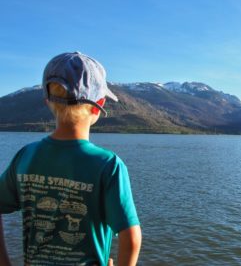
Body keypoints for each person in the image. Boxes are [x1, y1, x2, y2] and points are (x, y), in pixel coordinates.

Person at [0, 52, 142, 266]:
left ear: (47, 101)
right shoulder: (109, 165)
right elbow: (131, 238)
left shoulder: (25, 156)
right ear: (99, 105)